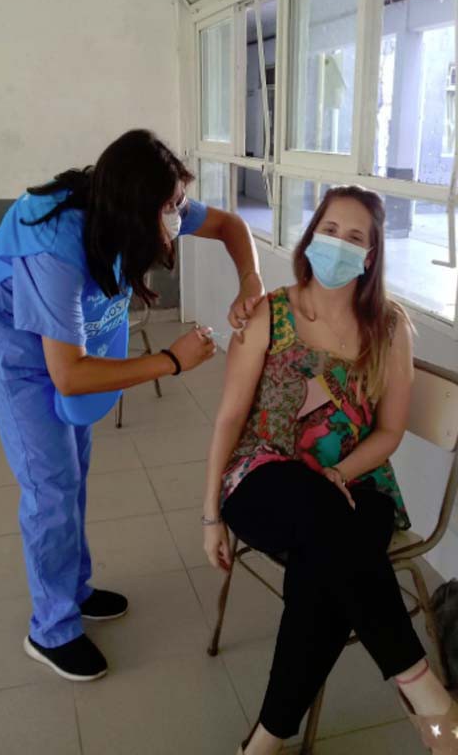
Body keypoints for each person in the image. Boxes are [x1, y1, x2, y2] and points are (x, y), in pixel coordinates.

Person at [0, 129, 264, 681]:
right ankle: (50, 629)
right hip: (10, 329)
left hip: (65, 332)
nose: (178, 217)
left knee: (74, 462)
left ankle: (74, 589)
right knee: (49, 481)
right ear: (133, 208)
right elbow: (71, 375)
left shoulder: (139, 200)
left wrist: (251, 279)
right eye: (170, 207)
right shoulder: (55, 240)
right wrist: (172, 362)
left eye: (178, 203)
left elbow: (231, 226)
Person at [201, 185, 457, 754]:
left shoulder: (390, 329)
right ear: (312, 234)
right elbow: (229, 418)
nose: (339, 243)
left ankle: (267, 738)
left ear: (371, 256)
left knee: (325, 567)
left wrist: (340, 472)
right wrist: (210, 515)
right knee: (332, 537)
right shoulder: (271, 311)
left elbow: (387, 433)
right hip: (264, 471)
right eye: (330, 230)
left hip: (359, 481)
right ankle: (430, 698)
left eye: (355, 237)